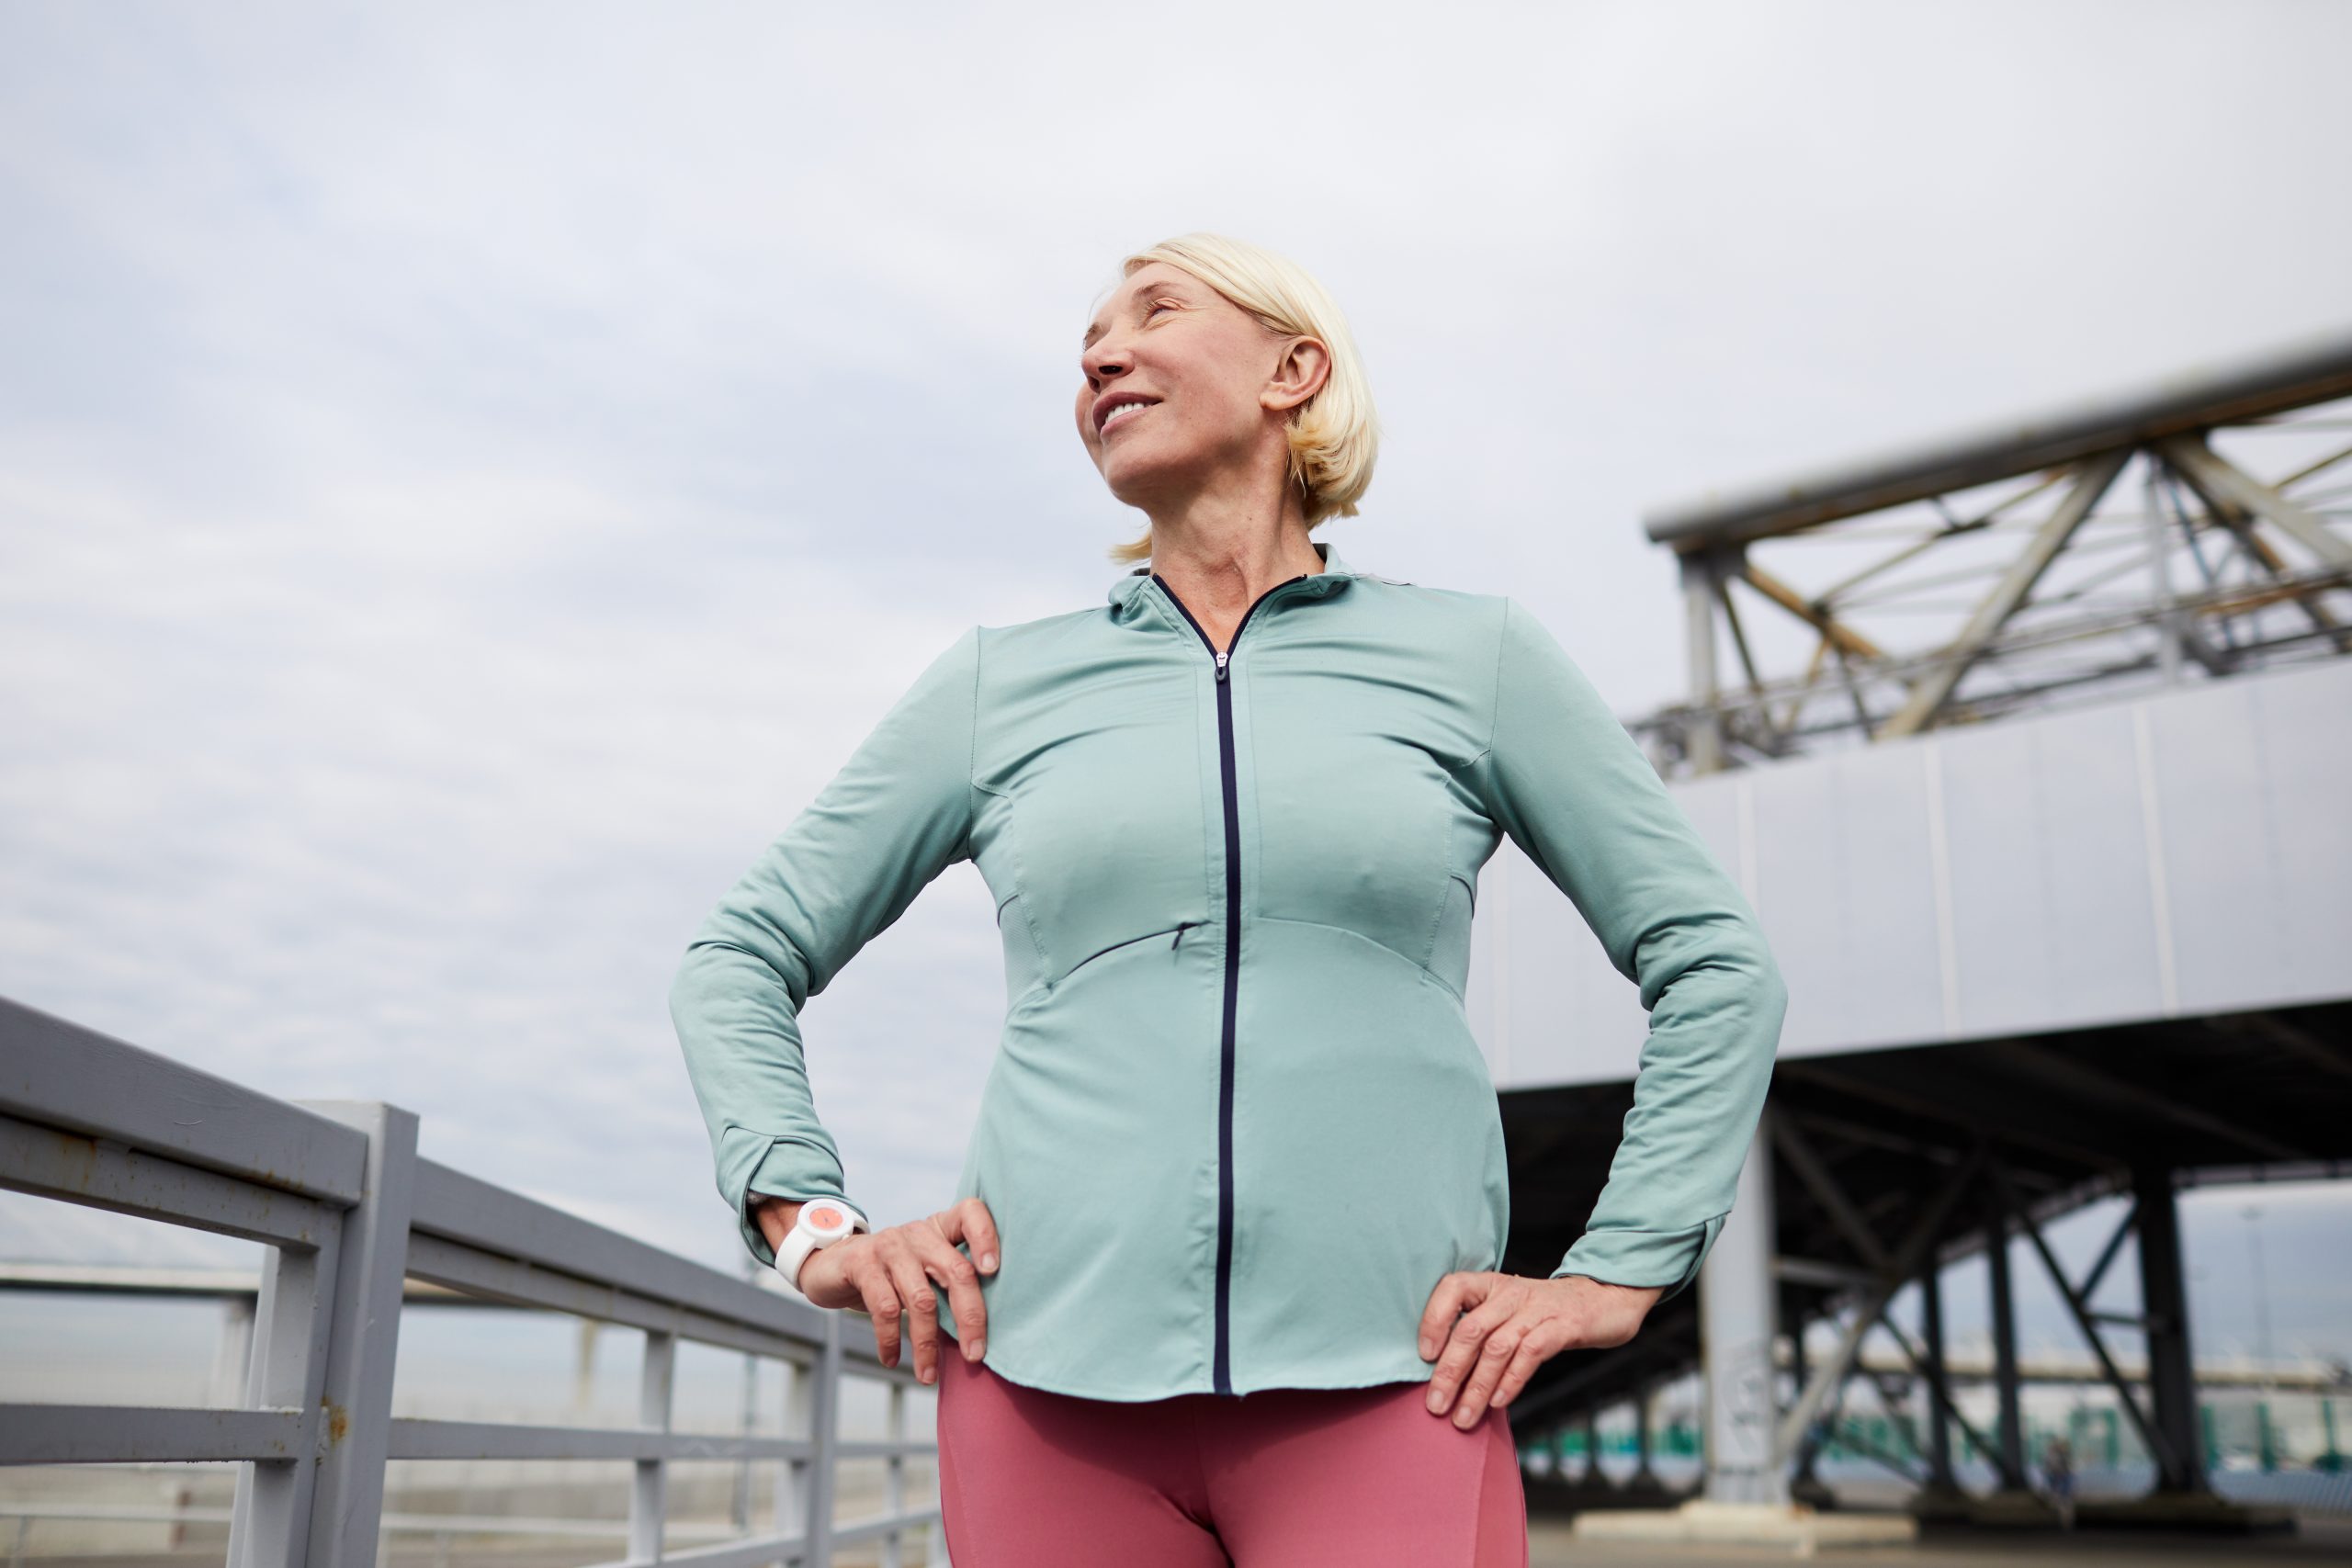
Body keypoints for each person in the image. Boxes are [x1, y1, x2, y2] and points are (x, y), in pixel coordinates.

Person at [669, 231, 1790, 1566]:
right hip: (1037, 1391)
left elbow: (1716, 964)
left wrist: (1618, 1270)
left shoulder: (1472, 660)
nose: (1101, 352)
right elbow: (738, 954)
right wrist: (811, 1225)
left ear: (1292, 370)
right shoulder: (996, 688)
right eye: (1088, 338)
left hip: (1395, 1385)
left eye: (1154, 313)